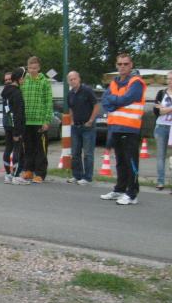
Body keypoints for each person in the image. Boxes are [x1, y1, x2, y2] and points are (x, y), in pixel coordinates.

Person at [100, 53, 146, 205]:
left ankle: (132, 193)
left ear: (131, 65)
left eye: (125, 64)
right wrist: (117, 101)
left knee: (130, 162)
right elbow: (105, 101)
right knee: (120, 161)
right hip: (116, 128)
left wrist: (114, 100)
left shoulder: (136, 82)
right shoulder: (114, 82)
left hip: (130, 128)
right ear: (116, 65)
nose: (122, 67)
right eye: (120, 64)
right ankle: (120, 189)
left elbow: (127, 99)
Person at [20, 56, 53, 184]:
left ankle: (40, 173)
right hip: (26, 121)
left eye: (35, 68)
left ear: (39, 68)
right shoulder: (23, 81)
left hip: (39, 121)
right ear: (27, 68)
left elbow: (48, 102)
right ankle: (28, 170)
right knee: (28, 147)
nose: (32, 70)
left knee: (41, 149)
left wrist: (46, 120)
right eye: (30, 68)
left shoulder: (44, 82)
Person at [66, 70, 99, 185]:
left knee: (88, 153)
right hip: (76, 127)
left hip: (87, 127)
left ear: (79, 79)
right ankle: (77, 175)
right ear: (68, 81)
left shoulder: (87, 90)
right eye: (70, 79)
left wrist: (91, 120)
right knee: (75, 153)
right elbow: (70, 108)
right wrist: (72, 120)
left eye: (74, 78)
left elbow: (96, 106)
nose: (73, 81)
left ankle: (87, 177)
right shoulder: (70, 94)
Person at [1, 67, 29, 185]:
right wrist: (17, 132)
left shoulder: (6, 91)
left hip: (7, 124)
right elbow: (18, 113)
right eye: (24, 78)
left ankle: (8, 175)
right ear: (19, 78)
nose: (24, 80)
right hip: (15, 125)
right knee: (18, 150)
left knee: (8, 148)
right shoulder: (16, 92)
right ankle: (16, 176)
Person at [152, 71, 172, 190]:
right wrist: (164, 110)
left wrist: (165, 109)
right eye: (168, 79)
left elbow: (162, 109)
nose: (170, 81)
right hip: (161, 127)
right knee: (161, 155)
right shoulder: (161, 93)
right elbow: (157, 111)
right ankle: (160, 181)